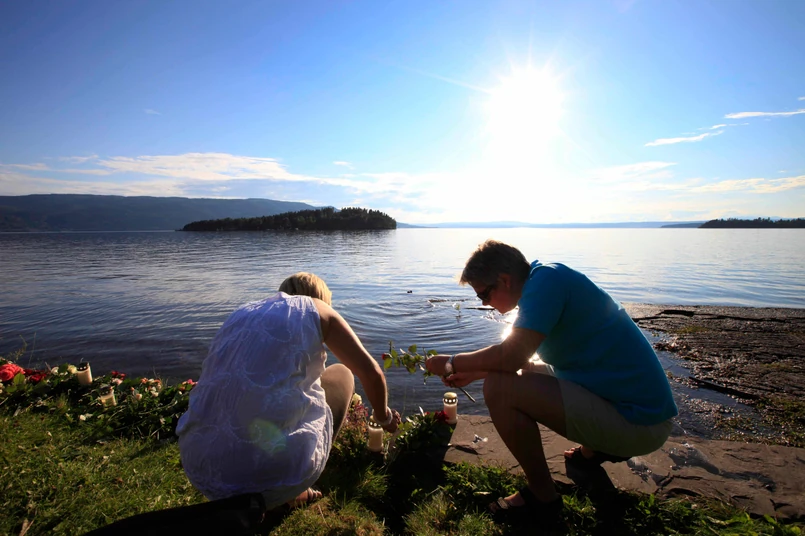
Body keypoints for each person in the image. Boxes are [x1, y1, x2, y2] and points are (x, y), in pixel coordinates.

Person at [425, 240, 678, 523]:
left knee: (500, 389)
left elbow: (512, 357)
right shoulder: (546, 278)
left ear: (505, 280)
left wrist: (452, 362)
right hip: (638, 409)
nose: (484, 303)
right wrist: (477, 371)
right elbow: (527, 361)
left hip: (641, 424)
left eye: (484, 294)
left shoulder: (547, 284)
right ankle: (593, 452)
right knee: (511, 376)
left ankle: (542, 496)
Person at [177, 272, 401, 511]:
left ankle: (272, 484)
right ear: (321, 297)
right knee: (342, 373)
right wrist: (384, 418)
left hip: (201, 466)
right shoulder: (317, 309)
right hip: (272, 476)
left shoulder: (243, 312)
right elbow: (372, 374)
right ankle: (292, 491)